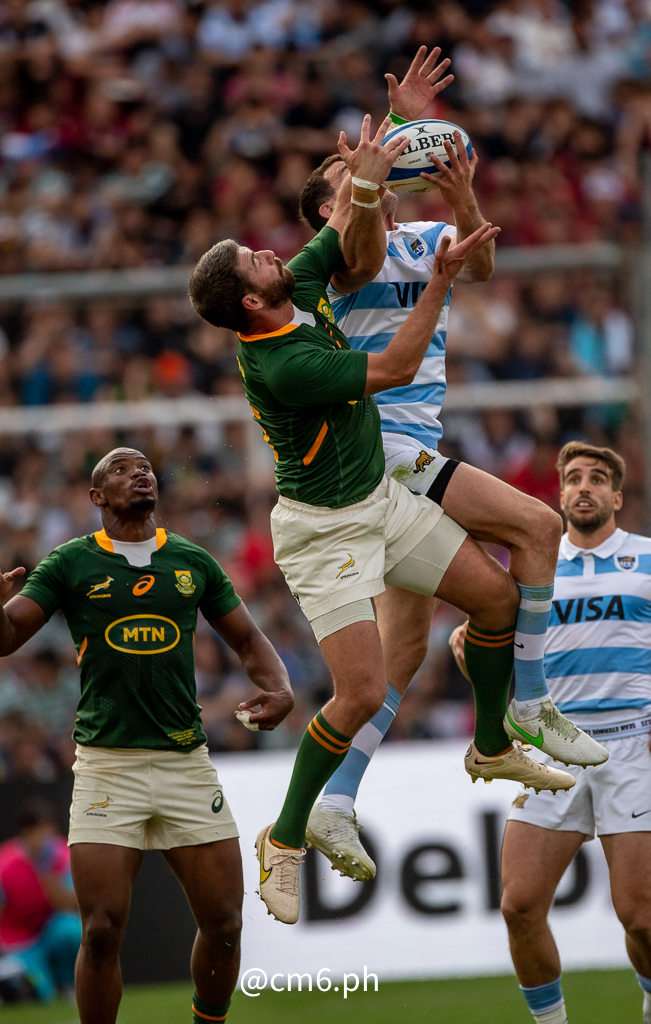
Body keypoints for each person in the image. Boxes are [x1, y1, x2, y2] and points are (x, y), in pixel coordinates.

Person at [188, 111, 579, 927]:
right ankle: (286, 837)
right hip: (326, 524)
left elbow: (347, 228)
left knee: (491, 606)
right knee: (362, 688)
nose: (277, 253)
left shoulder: (287, 284)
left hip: (382, 498)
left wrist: (388, 139)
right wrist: (433, 270)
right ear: (257, 298)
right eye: (261, 259)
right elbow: (395, 356)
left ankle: (486, 743)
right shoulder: (283, 358)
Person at [298, 46, 606, 882]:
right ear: (326, 208)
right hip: (385, 454)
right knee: (538, 527)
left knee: (401, 653)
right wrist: (388, 140)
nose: (365, 184)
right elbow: (359, 236)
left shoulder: (422, 233)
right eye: (344, 183)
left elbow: (480, 262)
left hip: (414, 455)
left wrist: (457, 187)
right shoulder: (339, 263)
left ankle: (334, 802)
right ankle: (527, 706)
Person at [0, 447, 293, 1024]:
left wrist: (280, 685)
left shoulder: (192, 561)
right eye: (119, 469)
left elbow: (248, 640)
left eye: (144, 466)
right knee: (98, 929)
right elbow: (1, 640)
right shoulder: (71, 563)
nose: (138, 472)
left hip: (185, 763)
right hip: (106, 767)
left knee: (224, 923)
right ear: (97, 498)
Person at [450, 441, 651, 1024]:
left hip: (632, 744)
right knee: (518, 905)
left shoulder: (645, 558)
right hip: (550, 749)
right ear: (559, 494)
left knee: (640, 918)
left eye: (596, 479)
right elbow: (500, 659)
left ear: (617, 495)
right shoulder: (534, 566)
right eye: (573, 479)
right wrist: (475, 656)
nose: (583, 487)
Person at [0, 799, 81, 1004]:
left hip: (51, 932)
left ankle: (69, 983)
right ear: (23, 833)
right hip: (19, 942)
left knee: (71, 929)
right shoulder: (2, 862)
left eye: (47, 827)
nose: (42, 836)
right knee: (43, 993)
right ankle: (49, 986)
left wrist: (45, 869)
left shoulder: (65, 855)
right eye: (34, 829)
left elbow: (67, 906)